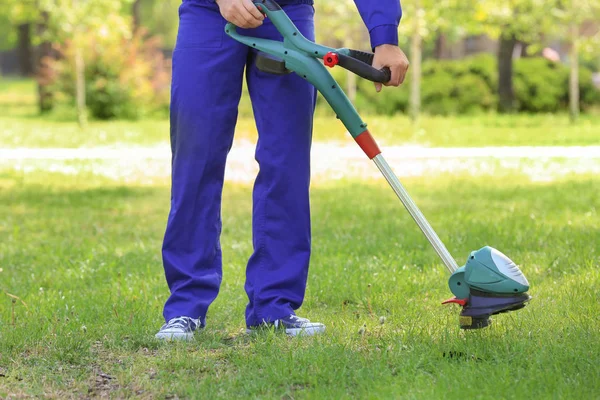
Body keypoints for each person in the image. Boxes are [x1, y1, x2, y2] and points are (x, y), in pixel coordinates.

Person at [156, 0, 409, 340]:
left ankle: (273, 307)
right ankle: (185, 307)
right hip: (209, 13)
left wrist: (385, 36)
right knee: (195, 157)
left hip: (287, 14)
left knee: (286, 161)